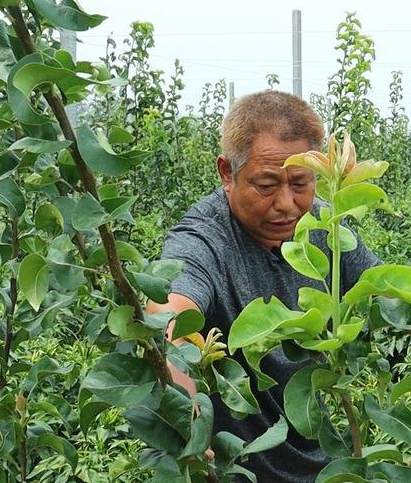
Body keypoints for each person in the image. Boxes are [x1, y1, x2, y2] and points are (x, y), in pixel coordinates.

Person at [148, 91, 380, 482]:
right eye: (267, 185)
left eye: (301, 183)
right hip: (232, 471)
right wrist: (192, 429)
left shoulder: (324, 227)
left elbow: (405, 300)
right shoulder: (206, 238)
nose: (287, 204)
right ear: (227, 172)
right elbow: (169, 318)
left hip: (318, 468)